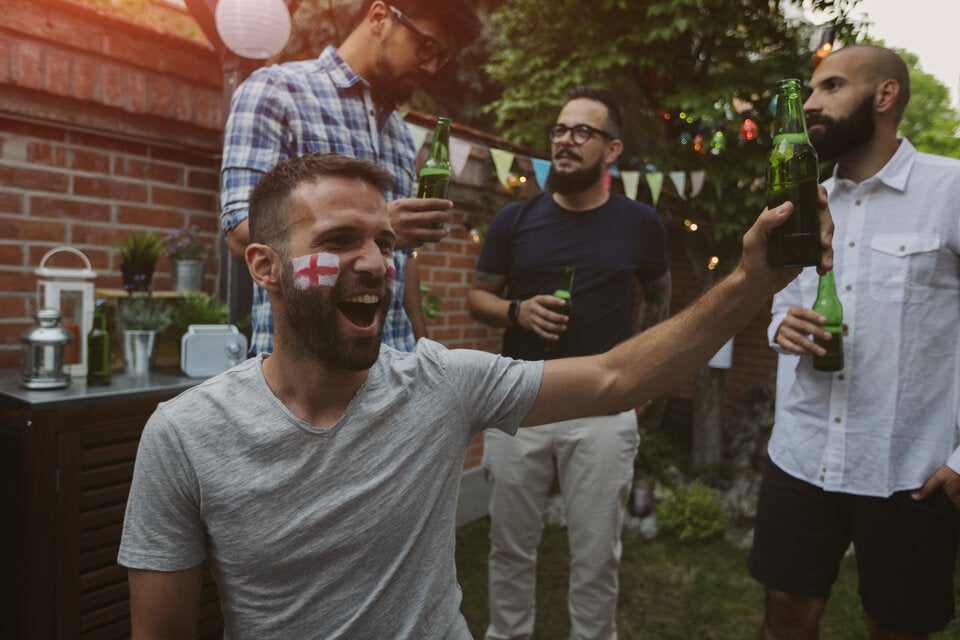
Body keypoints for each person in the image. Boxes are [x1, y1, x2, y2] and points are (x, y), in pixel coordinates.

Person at [118, 152, 830, 639]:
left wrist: (752, 281)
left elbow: (618, 376)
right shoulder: (184, 435)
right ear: (265, 268)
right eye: (340, 240)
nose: (375, 263)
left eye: (384, 242)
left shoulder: (439, 383)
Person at [749, 44, 960, 640]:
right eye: (809, 92)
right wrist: (778, 325)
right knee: (786, 612)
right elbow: (782, 297)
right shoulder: (800, 197)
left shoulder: (950, 189)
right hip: (801, 450)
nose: (811, 104)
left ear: (885, 95)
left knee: (895, 626)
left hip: (908, 468)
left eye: (831, 87)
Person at [466, 86, 671, 640]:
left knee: (597, 554)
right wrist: (517, 311)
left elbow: (659, 296)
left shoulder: (640, 223)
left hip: (602, 407)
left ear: (612, 150)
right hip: (520, 401)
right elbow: (477, 296)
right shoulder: (515, 219)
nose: (565, 140)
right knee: (508, 545)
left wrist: (644, 373)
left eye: (583, 132)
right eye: (559, 130)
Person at [220, 0, 480, 355]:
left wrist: (424, 349)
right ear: (379, 17)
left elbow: (404, 258)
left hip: (397, 367)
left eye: (441, 57)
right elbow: (240, 232)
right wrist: (378, 227)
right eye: (427, 46)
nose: (431, 66)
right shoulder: (276, 92)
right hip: (308, 373)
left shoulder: (401, 135)